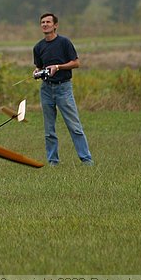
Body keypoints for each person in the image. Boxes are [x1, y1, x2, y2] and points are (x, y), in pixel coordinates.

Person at [32, 13, 94, 166]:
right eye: (42, 22)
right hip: (46, 89)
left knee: (74, 126)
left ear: (55, 25)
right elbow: (39, 66)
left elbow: (76, 63)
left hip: (63, 88)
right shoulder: (38, 47)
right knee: (49, 130)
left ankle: (87, 160)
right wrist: (36, 72)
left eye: (48, 22)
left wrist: (58, 67)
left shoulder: (64, 42)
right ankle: (53, 162)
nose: (45, 24)